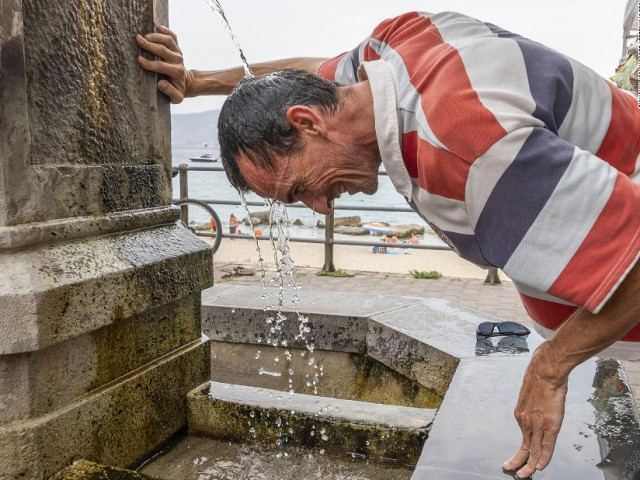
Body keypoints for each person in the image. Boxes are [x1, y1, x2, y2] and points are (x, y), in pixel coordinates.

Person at [137, 12, 640, 478]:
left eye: (299, 189)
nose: (321, 209)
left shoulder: (465, 148)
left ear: (307, 122)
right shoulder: (391, 49)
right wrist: (200, 82)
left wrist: (551, 365)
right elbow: (307, 70)